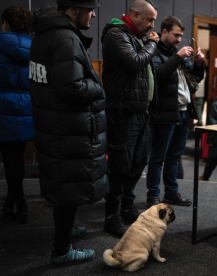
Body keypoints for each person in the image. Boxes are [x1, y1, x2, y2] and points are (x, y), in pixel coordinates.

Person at [30, 0, 108, 266]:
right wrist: (99, 87)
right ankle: (62, 250)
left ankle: (66, 230)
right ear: (74, 9)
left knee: (64, 182)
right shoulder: (66, 38)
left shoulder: (44, 34)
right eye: (90, 9)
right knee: (69, 182)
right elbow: (71, 88)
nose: (94, 14)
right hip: (67, 127)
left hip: (53, 123)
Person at [101, 0, 159, 237]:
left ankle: (127, 206)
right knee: (120, 166)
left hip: (141, 111)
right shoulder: (116, 34)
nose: (152, 25)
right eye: (149, 20)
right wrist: (152, 44)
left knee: (138, 162)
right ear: (135, 14)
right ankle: (111, 215)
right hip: (123, 113)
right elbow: (135, 64)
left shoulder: (135, 37)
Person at [147, 16, 204, 208]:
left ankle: (171, 193)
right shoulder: (153, 50)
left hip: (183, 111)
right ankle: (153, 195)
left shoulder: (177, 52)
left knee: (174, 156)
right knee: (158, 157)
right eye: (176, 35)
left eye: (181, 36)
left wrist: (198, 64)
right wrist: (177, 57)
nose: (179, 39)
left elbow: (195, 78)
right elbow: (157, 77)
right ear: (164, 32)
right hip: (164, 112)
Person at [0, 6, 33, 224]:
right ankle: (17, 200)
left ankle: (16, 199)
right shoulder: (35, 47)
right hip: (26, 108)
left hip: (3, 107)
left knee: (9, 157)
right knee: (17, 156)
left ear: (6, 23)